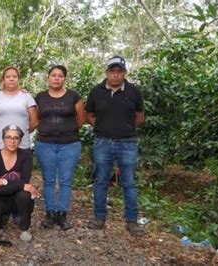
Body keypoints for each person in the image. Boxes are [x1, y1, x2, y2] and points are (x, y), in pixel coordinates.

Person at [86, 55, 145, 236]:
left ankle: (132, 221)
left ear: (124, 73)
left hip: (128, 143)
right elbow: (89, 115)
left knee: (129, 182)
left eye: (119, 71)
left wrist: (124, 129)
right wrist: (104, 127)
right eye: (112, 71)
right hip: (102, 142)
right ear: (107, 72)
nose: (116, 75)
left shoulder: (134, 91)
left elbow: (140, 117)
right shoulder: (96, 92)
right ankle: (99, 217)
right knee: (101, 181)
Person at [35, 65, 85, 231]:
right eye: (53, 75)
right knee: (48, 180)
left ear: (64, 78)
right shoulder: (40, 97)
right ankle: (50, 214)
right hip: (45, 144)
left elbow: (81, 119)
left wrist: (66, 131)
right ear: (48, 78)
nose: (56, 78)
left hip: (69, 144)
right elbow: (36, 119)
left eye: (60, 76)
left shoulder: (73, 96)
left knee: (65, 180)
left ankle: (62, 214)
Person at [0, 125, 39, 241]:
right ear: (3, 139)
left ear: (20, 140)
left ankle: (24, 227)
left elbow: (24, 182)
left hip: (17, 196)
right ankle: (0, 221)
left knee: (25, 195)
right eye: (8, 137)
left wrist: (3, 181)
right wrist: (19, 185)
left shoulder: (26, 156)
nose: (12, 141)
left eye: (16, 138)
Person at [0, 66, 38, 151]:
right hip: (0, 144)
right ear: (3, 80)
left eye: (14, 76)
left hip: (22, 144)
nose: (11, 79)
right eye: (8, 77)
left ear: (18, 79)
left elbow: (34, 122)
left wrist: (22, 132)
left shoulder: (26, 97)